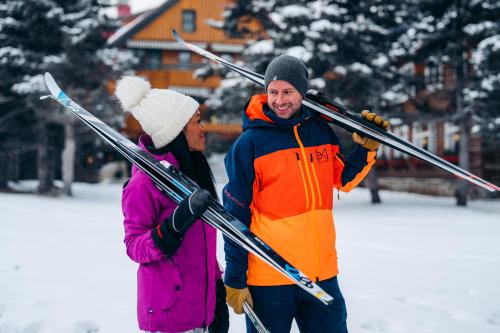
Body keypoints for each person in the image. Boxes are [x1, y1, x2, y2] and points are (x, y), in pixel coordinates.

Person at [222, 55, 389, 333]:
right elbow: (234, 216)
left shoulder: (319, 131)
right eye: (273, 92)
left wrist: (367, 149)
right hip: (270, 276)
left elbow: (342, 180)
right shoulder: (249, 144)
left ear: (302, 91)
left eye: (288, 91)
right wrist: (235, 277)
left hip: (320, 274)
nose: (280, 100)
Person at [116, 76, 229, 333]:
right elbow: (134, 246)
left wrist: (217, 291)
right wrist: (171, 229)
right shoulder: (143, 184)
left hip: (200, 311)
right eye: (197, 121)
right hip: (168, 316)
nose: (204, 128)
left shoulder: (191, 176)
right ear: (176, 130)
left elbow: (202, 247)